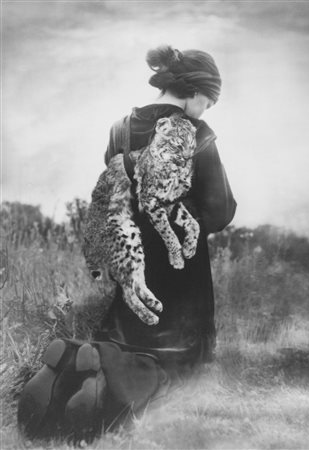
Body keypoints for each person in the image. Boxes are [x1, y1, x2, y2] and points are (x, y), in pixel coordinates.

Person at [17, 45, 237, 443]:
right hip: (181, 277)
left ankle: (75, 360)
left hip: (129, 262)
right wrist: (189, 221)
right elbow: (221, 209)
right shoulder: (194, 133)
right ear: (194, 92)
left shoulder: (120, 128)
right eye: (207, 101)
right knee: (180, 366)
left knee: (125, 337)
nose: (205, 111)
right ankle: (112, 378)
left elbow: (116, 191)